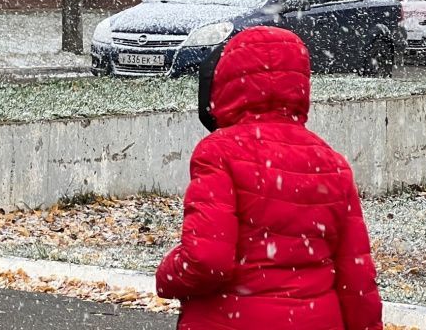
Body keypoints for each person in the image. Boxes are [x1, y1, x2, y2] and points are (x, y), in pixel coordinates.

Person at [156, 25, 383, 330]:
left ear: (226, 81)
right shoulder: (332, 163)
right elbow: (357, 280)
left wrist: (168, 275)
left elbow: (207, 261)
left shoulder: (219, 152)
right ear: (301, 85)